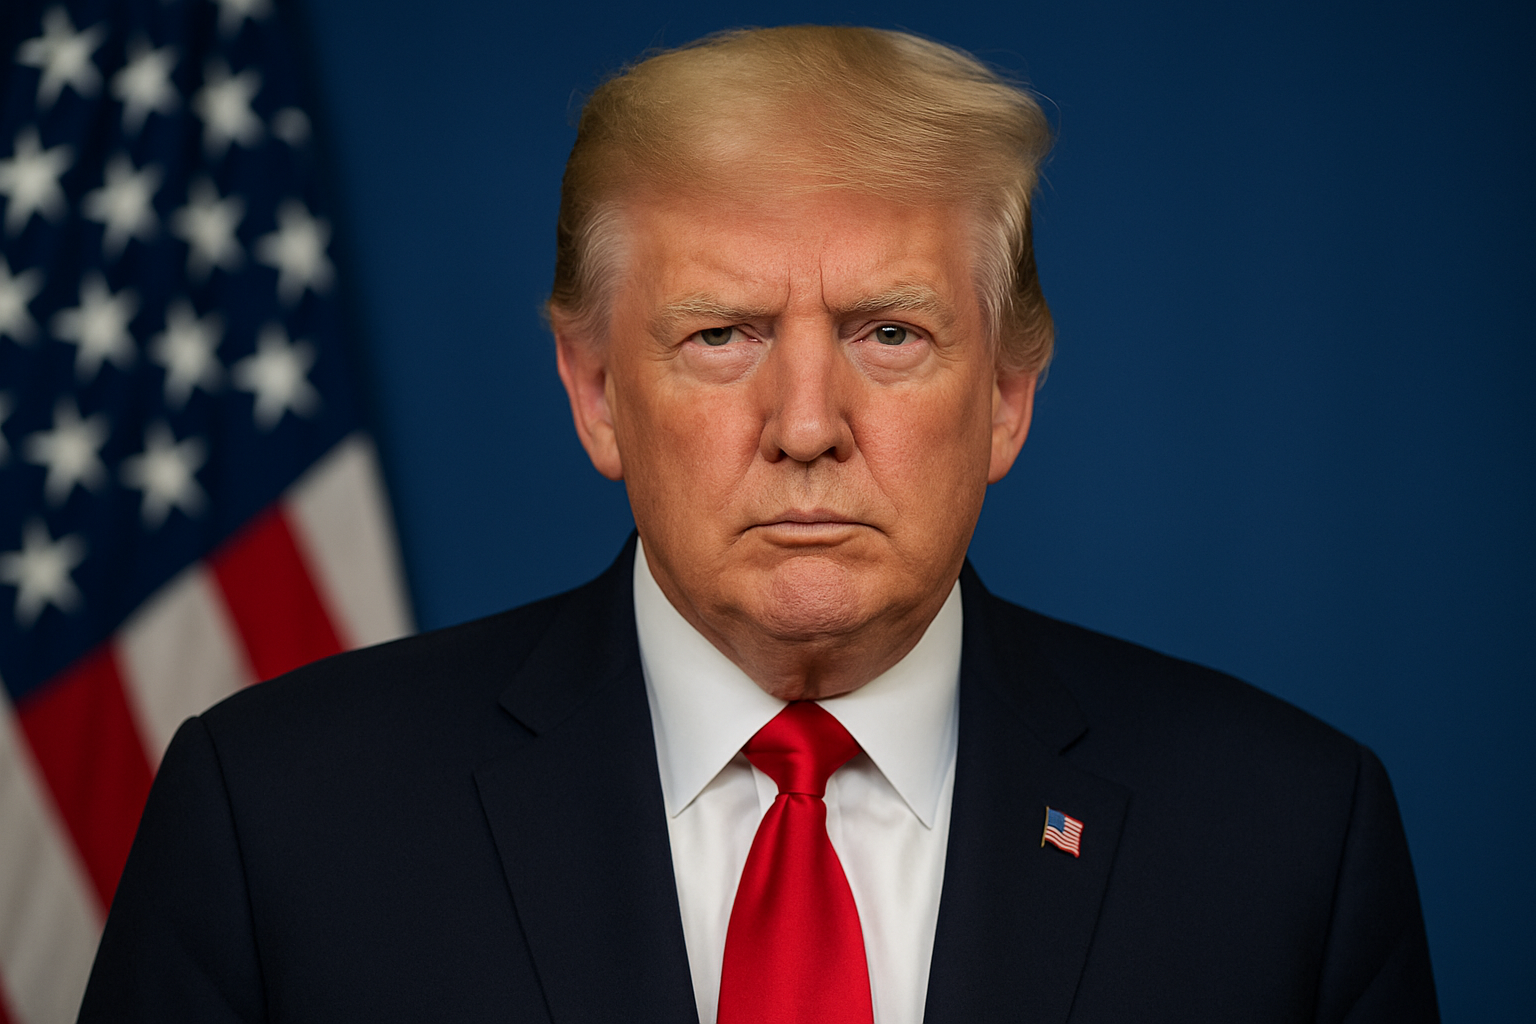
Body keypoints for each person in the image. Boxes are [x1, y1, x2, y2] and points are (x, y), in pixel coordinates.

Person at [79, 25, 1437, 1024]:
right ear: (596, 393)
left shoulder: (1287, 841)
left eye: (890, 333)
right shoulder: (276, 821)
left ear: (1008, 396)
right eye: (721, 334)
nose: (805, 424)